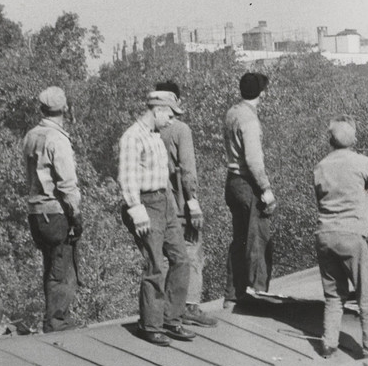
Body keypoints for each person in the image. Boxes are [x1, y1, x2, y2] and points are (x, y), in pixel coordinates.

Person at [312, 119, 368, 358]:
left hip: (324, 234)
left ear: (330, 140)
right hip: (350, 236)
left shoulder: (320, 167)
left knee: (333, 295)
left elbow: (329, 198)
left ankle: (328, 343)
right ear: (354, 140)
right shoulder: (361, 162)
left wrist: (364, 193)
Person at [118, 89, 195, 346]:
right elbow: (127, 177)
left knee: (181, 259)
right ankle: (150, 325)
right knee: (155, 264)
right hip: (146, 203)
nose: (172, 121)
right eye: (170, 115)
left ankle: (171, 318)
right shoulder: (133, 137)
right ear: (157, 110)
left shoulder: (155, 135)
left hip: (165, 201)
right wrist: (136, 209)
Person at [154, 79, 217, 330]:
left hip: (158, 201)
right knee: (191, 250)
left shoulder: (150, 129)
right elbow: (188, 170)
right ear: (176, 101)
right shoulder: (181, 129)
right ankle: (189, 306)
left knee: (164, 256)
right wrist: (193, 202)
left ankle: (163, 307)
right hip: (180, 202)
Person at [20, 84, 81, 329]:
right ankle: (56, 321)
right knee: (62, 268)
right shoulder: (57, 139)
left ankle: (52, 319)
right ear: (64, 108)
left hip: (35, 212)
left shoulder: (31, 135)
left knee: (50, 265)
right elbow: (67, 183)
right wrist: (76, 215)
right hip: (55, 211)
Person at [224, 71, 278, 301]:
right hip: (248, 184)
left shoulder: (232, 112)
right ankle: (258, 295)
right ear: (261, 93)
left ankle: (233, 294)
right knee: (258, 241)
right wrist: (266, 189)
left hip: (232, 182)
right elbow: (254, 161)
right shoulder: (250, 120)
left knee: (239, 240)